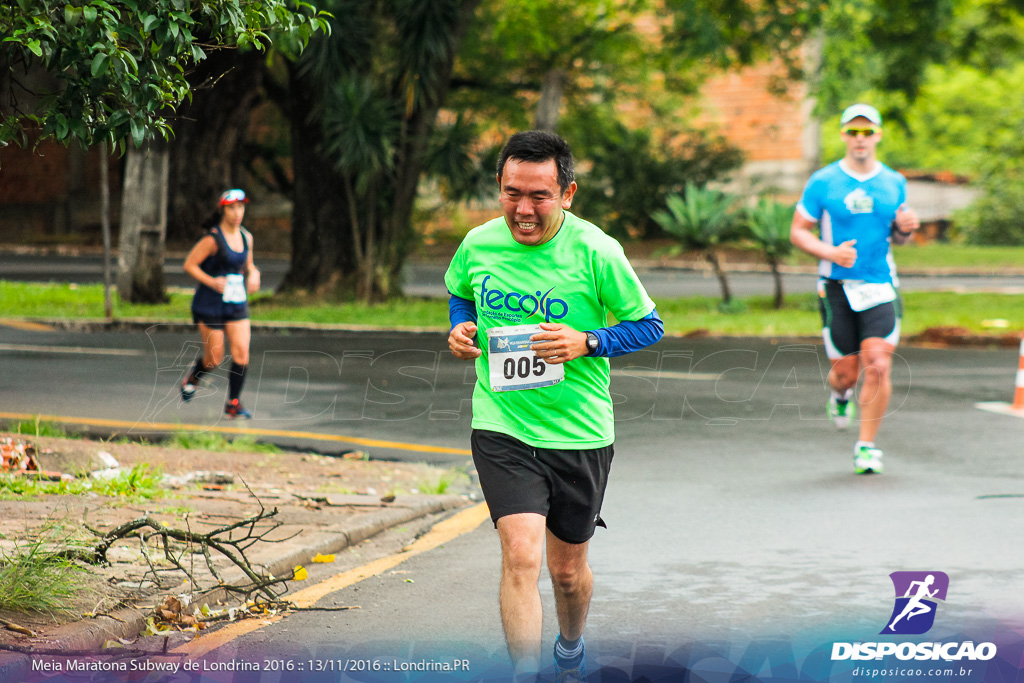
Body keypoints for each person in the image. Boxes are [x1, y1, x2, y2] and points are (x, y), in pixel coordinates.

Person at [444, 131, 664, 681]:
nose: (523, 209)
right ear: (499, 186)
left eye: (539, 196)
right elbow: (460, 293)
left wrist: (586, 341)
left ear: (567, 193)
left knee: (568, 574)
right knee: (520, 555)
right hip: (502, 424)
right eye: (512, 193)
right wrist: (459, 327)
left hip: (580, 432)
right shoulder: (478, 243)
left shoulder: (597, 251)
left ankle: (570, 645)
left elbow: (650, 325)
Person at [790, 104, 920, 474]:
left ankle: (866, 446)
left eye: (867, 132)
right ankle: (840, 393)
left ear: (877, 135)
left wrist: (906, 229)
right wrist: (829, 251)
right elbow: (798, 231)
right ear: (844, 136)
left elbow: (899, 236)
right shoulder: (823, 181)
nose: (860, 139)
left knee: (878, 365)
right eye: (853, 132)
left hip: (880, 285)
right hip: (836, 287)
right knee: (847, 371)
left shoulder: (894, 181)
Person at [179, 189, 261, 419]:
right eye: (232, 208)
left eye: (241, 207)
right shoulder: (212, 239)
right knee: (214, 359)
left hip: (236, 302)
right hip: (210, 303)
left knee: (242, 353)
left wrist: (254, 273)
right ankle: (193, 378)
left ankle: (233, 403)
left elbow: (249, 265)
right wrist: (212, 282)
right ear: (222, 210)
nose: (237, 213)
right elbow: (189, 265)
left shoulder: (247, 237)